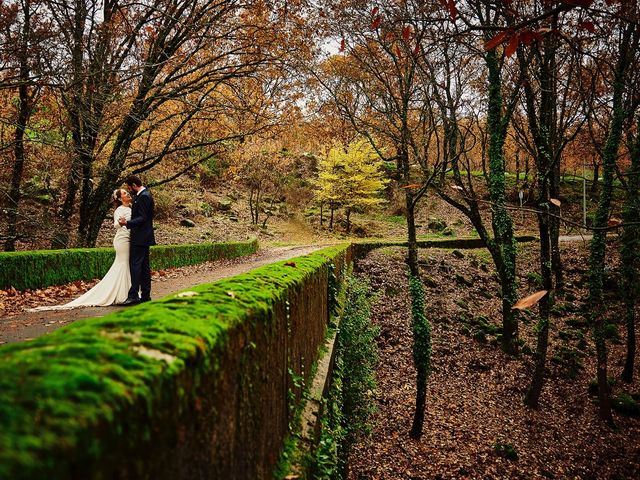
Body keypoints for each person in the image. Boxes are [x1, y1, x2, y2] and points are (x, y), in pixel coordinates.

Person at [30, 189, 133, 311]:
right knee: (123, 264)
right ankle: (122, 295)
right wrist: (121, 223)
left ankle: (127, 293)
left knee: (126, 264)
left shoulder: (130, 208)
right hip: (122, 240)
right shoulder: (119, 210)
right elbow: (116, 224)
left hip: (129, 239)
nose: (128, 194)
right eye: (125, 193)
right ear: (120, 199)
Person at [118, 175, 155, 305]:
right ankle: (145, 295)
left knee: (135, 266)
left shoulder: (144, 196)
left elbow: (143, 218)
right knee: (144, 267)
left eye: (129, 187)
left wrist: (127, 223)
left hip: (140, 237)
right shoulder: (143, 195)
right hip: (144, 237)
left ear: (134, 185)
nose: (129, 190)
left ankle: (133, 295)